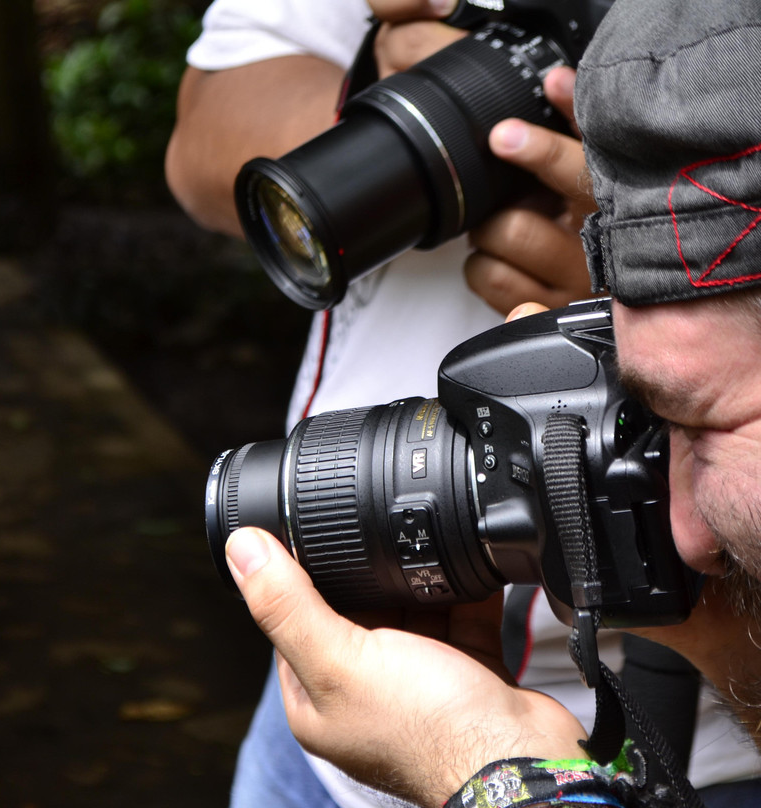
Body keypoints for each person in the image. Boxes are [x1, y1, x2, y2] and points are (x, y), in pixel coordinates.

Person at [166, 0, 761, 805]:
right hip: (340, 706)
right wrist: (383, 104)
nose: (686, 535)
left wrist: (492, 769)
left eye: (691, 418)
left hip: (715, 749)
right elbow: (202, 139)